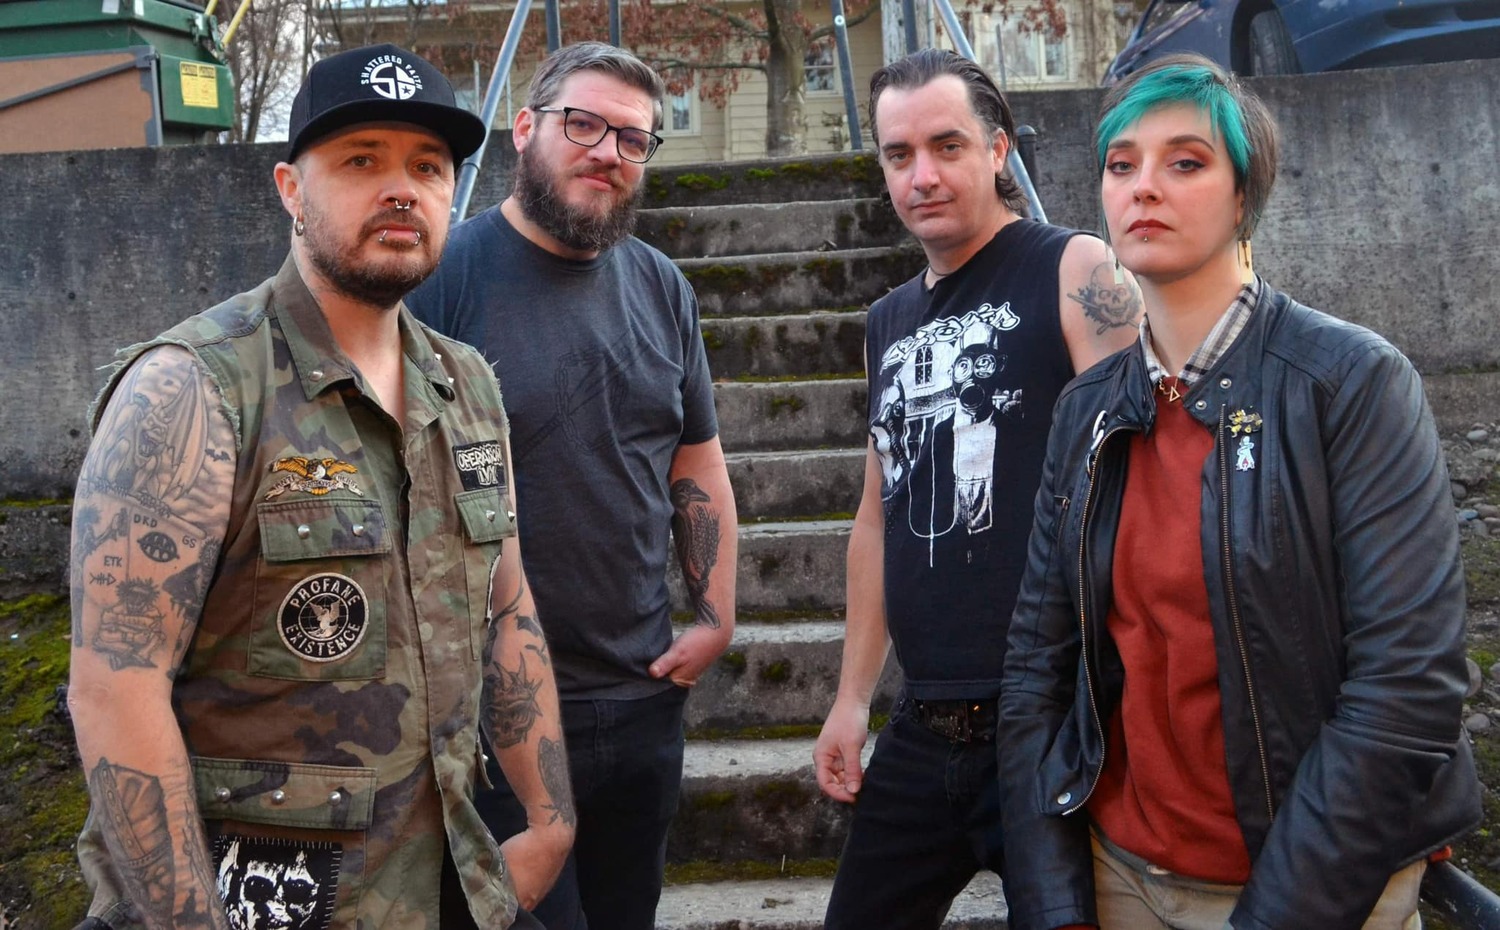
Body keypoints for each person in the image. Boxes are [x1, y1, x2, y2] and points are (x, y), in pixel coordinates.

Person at [66, 44, 573, 930]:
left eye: (428, 166)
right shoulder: (194, 389)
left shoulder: (467, 386)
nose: (402, 189)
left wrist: (551, 818)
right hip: (258, 902)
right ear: (291, 190)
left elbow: (508, 603)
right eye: (361, 160)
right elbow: (116, 688)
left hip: (451, 881)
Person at [997, 54, 1483, 930]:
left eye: (1185, 162)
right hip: (1120, 876)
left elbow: (1408, 686)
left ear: (1243, 196)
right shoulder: (1086, 411)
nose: (1144, 186)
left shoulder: (1350, 382)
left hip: (1322, 892)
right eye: (1121, 165)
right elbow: (1038, 670)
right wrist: (1055, 906)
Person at [406, 42, 737, 930]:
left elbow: (695, 460)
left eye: (632, 139)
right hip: (495, 715)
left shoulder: (662, 286)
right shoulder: (441, 278)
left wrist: (715, 613)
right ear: (525, 129)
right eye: (583, 125)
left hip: (641, 696)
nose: (607, 153)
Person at [810, 48, 1142, 929]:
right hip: (924, 724)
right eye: (898, 154)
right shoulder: (886, 320)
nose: (921, 175)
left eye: (947, 146)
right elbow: (876, 519)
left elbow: (1142, 479)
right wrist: (851, 699)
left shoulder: (1075, 269)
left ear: (999, 149)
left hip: (1050, 719)